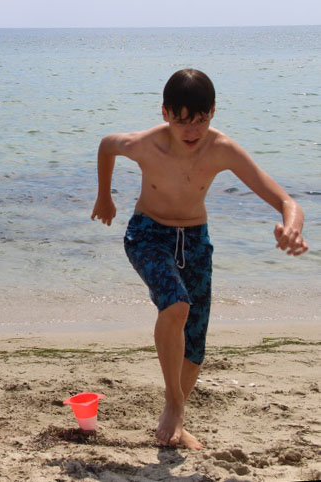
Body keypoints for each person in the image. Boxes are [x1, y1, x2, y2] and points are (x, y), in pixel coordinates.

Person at [91, 68, 308, 450]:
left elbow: (286, 200)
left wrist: (292, 226)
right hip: (147, 234)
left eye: (200, 121)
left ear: (213, 113)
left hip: (196, 241)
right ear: (165, 113)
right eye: (182, 121)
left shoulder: (222, 149)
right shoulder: (145, 144)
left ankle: (174, 417)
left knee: (194, 346)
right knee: (176, 305)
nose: (191, 131)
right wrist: (104, 196)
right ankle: (175, 406)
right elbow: (107, 145)